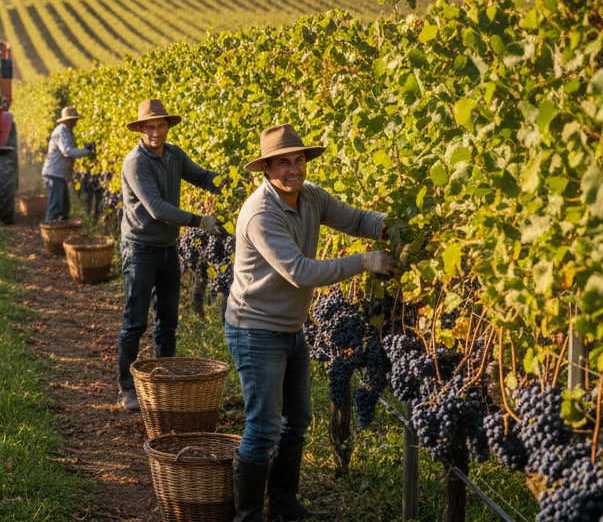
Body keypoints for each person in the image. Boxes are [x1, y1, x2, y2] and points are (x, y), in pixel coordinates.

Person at [226, 124, 396, 522]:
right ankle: (247, 516)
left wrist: (396, 225)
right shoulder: (260, 214)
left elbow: (356, 220)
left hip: (290, 326)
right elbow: (299, 272)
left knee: (297, 421)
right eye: (282, 162)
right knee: (264, 427)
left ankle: (283, 507)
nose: (293, 169)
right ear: (266, 169)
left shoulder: (311, 196)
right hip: (255, 329)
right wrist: (363, 262)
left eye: (298, 160)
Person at [117, 99, 227, 412]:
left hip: (167, 249)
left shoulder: (174, 154)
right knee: (135, 321)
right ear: (140, 130)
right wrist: (201, 221)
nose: (154, 132)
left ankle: (161, 384)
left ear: (167, 127)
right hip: (139, 248)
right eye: (148, 127)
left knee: (168, 321)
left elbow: (204, 177)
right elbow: (157, 209)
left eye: (160, 125)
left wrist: (232, 183)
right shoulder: (135, 162)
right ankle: (126, 387)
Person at [41, 106, 94, 222]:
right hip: (54, 174)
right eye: (74, 120)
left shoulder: (67, 131)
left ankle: (61, 232)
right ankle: (50, 234)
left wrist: (85, 147)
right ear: (68, 120)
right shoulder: (62, 131)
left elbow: (70, 149)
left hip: (60, 175)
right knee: (55, 207)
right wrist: (86, 152)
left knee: (64, 207)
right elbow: (67, 151)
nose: (75, 123)